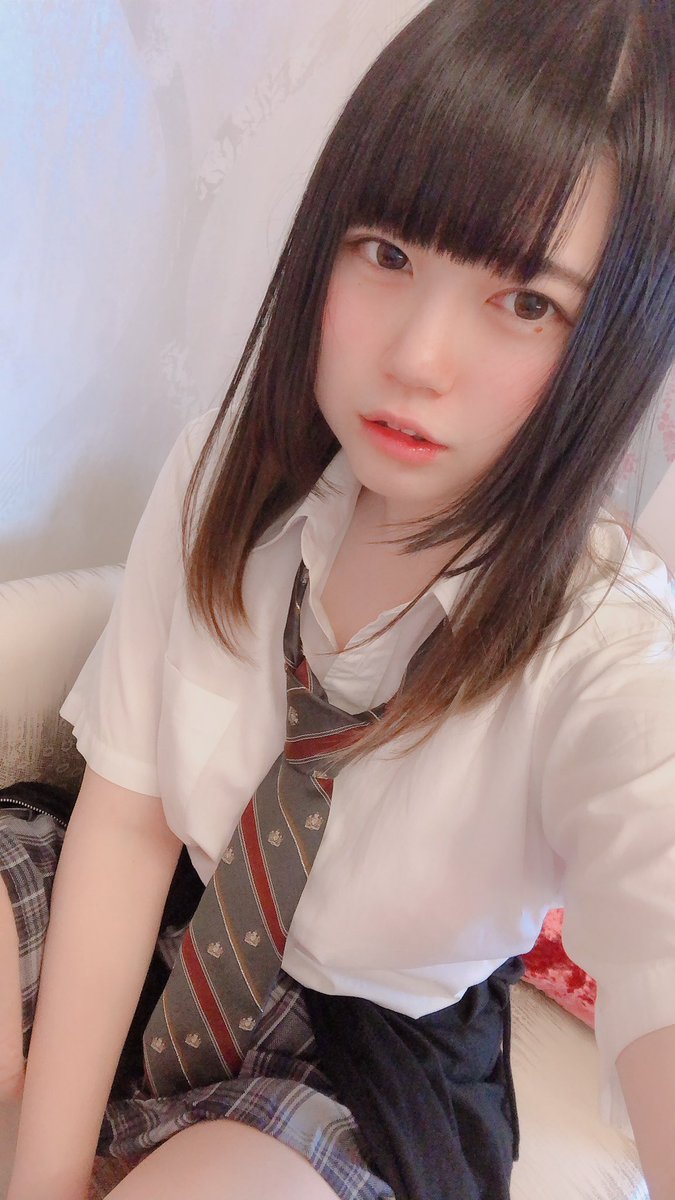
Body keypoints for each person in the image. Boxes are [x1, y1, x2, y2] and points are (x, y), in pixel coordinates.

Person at [2, 0, 675, 1196]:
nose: (416, 358)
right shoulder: (227, 471)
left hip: (366, 1049)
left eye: (528, 302)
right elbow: (130, 820)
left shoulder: (612, 653)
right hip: (168, 911)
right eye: (389, 253)